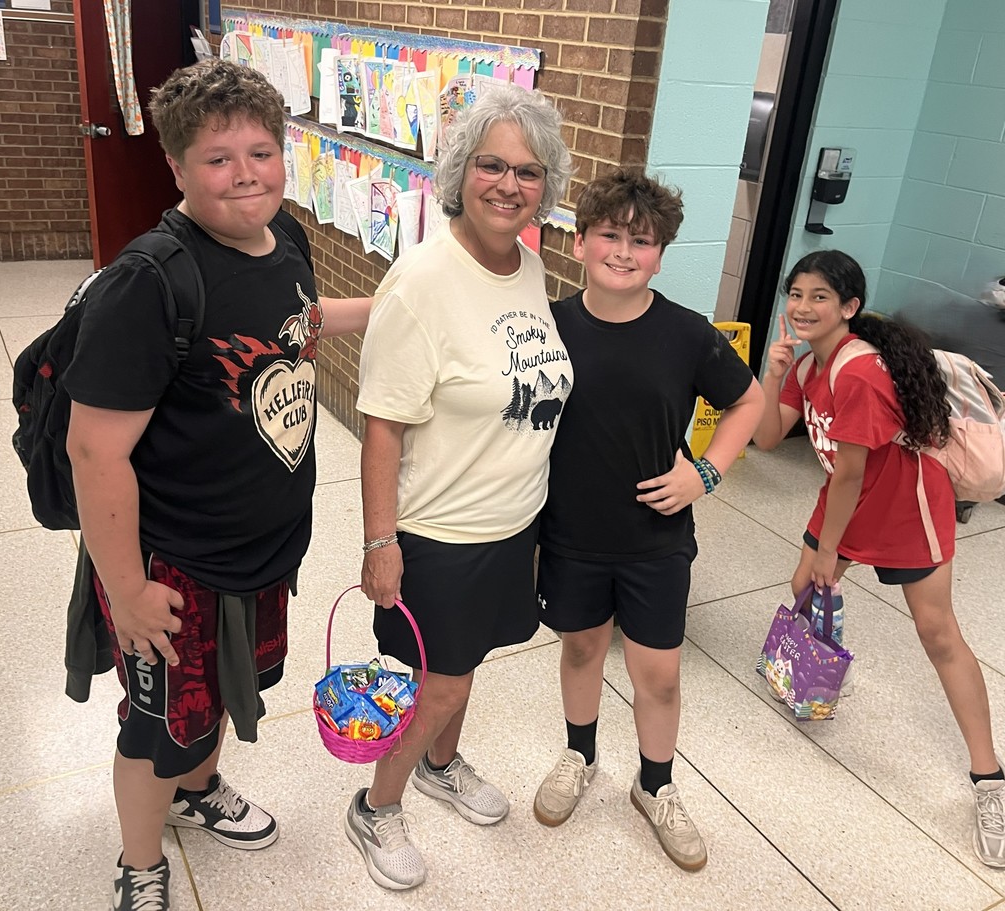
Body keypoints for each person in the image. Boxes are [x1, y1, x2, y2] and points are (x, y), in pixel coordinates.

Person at [62, 59, 370, 910]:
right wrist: (127, 590)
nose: (246, 174)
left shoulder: (287, 240)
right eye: (218, 158)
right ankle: (140, 861)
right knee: (155, 726)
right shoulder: (149, 283)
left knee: (223, 691)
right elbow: (94, 451)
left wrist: (396, 308)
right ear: (176, 167)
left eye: (261, 153)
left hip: (259, 548)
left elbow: (299, 326)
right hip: (173, 563)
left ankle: (197, 790)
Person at [345, 83, 574, 891]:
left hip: (513, 523)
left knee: (466, 663)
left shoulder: (529, 267)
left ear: (547, 185)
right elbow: (382, 424)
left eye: (528, 170)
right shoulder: (421, 281)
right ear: (459, 172)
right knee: (440, 683)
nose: (509, 184)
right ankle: (377, 804)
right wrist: (381, 542)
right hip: (439, 534)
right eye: (491, 165)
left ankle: (441, 766)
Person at [531, 168, 765, 871]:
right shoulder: (547, 326)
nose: (624, 252)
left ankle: (654, 784)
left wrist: (706, 472)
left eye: (643, 241)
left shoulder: (687, 334)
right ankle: (580, 754)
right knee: (581, 650)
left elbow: (748, 403)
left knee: (658, 673)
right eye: (610, 235)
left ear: (661, 255)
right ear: (580, 242)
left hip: (654, 540)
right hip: (569, 534)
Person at [753, 249, 1004, 869]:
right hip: (848, 501)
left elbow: (852, 473)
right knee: (803, 586)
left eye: (819, 297)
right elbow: (765, 438)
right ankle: (812, 676)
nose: (803, 307)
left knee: (938, 632)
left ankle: (991, 780)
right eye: (796, 294)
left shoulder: (859, 372)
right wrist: (773, 372)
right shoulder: (808, 363)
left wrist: (829, 551)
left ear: (850, 307)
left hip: (903, 507)